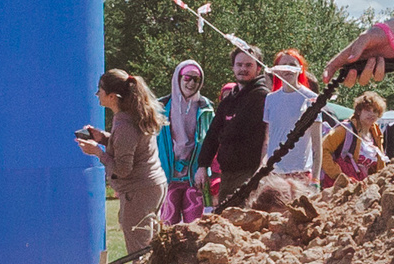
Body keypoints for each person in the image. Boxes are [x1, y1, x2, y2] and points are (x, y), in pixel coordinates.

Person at [77, 70, 166, 250]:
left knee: (139, 252)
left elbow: (123, 169)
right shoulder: (131, 116)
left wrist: (98, 153)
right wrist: (102, 138)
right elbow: (130, 147)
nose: (97, 94)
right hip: (152, 186)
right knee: (152, 248)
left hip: (138, 192)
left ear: (112, 96)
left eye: (100, 90)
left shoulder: (125, 124)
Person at [195, 46, 269, 198]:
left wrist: (261, 170)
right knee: (224, 219)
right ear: (233, 67)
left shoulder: (263, 97)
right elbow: (213, 134)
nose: (243, 69)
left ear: (258, 69)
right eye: (239, 65)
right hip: (227, 174)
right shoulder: (229, 100)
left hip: (250, 174)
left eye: (249, 65)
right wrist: (203, 165)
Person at [158, 59, 214, 224]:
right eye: (187, 78)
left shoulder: (206, 108)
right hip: (167, 177)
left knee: (195, 228)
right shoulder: (160, 108)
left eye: (196, 79)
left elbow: (212, 142)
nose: (191, 83)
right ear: (178, 77)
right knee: (168, 228)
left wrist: (206, 169)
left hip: (195, 178)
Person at [320, 94, 388, 185]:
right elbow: (322, 149)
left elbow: (380, 164)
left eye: (375, 111)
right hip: (341, 187)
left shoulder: (377, 134)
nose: (371, 114)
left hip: (366, 187)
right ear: (359, 111)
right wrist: (337, 174)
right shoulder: (345, 129)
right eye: (367, 110)